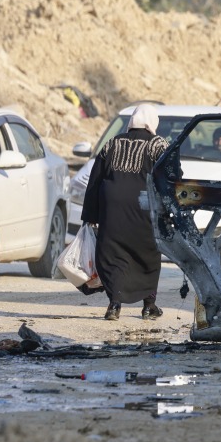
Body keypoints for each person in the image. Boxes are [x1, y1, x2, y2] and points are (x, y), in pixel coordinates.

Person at [81, 104, 168, 321]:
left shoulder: (113, 143)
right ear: (152, 122)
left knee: (114, 255)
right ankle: (149, 306)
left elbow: (95, 180)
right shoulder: (158, 145)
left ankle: (114, 305)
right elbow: (172, 174)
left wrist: (90, 215)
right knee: (147, 254)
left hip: (113, 209)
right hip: (144, 208)